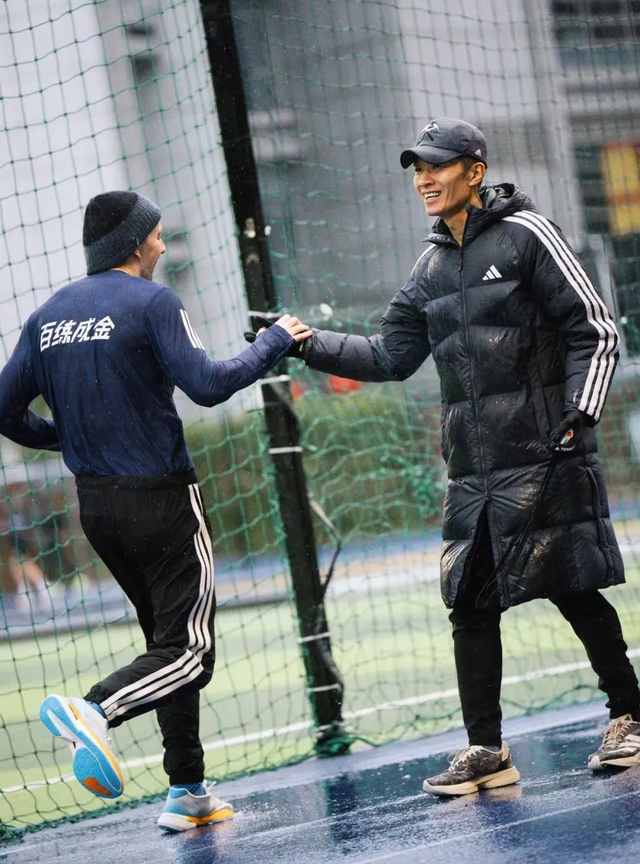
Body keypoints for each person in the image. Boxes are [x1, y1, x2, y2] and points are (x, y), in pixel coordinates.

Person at [295, 117, 640, 796]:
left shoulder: (528, 235)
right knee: (470, 605)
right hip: (475, 477)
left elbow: (595, 331)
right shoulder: (428, 267)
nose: (424, 180)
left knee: (573, 586)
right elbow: (389, 356)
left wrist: (579, 415)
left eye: (437, 166)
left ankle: (630, 717)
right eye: (417, 170)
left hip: (547, 456)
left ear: (474, 172)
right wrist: (306, 343)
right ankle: (486, 749)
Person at [0, 190, 311, 830]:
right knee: (191, 653)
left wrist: (63, 437)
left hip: (96, 509)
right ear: (136, 243)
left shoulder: (47, 316)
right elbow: (208, 384)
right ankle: (94, 710)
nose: (164, 246)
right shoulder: (153, 302)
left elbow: (4, 411)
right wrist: (275, 341)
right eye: (159, 235)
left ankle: (187, 791)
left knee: (165, 644)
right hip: (163, 502)